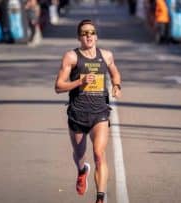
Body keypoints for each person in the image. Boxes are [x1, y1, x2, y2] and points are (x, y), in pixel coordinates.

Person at [54, 19, 122, 203]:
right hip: (77, 113)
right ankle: (82, 169)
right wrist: (79, 82)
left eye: (91, 32)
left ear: (96, 36)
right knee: (79, 155)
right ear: (79, 37)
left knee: (99, 154)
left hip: (99, 112)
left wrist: (116, 85)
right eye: (84, 33)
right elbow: (58, 86)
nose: (89, 35)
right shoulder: (71, 57)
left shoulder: (106, 55)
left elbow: (115, 71)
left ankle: (100, 197)